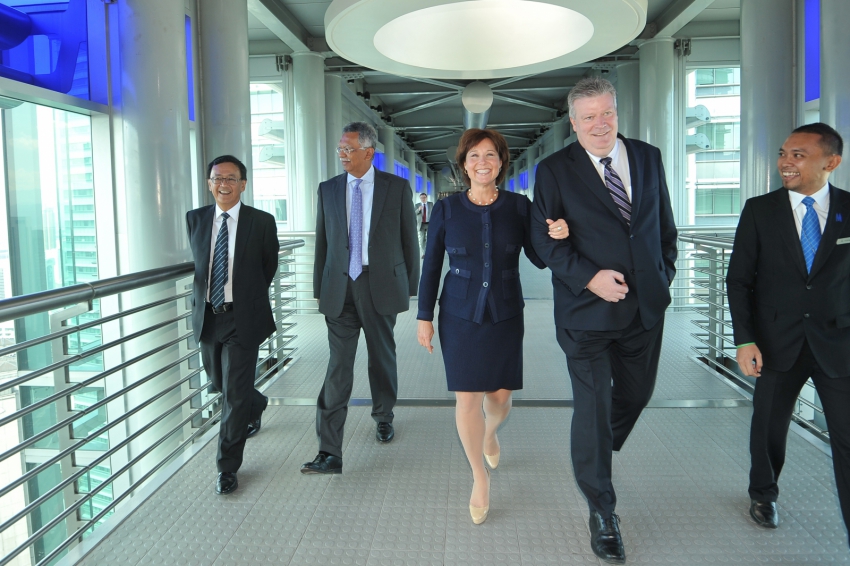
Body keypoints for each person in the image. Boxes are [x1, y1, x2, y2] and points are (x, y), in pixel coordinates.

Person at [530, 77, 677, 563]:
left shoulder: (649, 156)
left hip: (644, 309)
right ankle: (601, 508)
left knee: (636, 395)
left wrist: (663, 275)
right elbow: (546, 242)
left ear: (617, 112)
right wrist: (590, 278)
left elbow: (662, 227)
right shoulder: (554, 170)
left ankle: (592, 451)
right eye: (588, 116)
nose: (600, 124)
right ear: (573, 124)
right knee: (592, 412)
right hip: (586, 314)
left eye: (607, 113)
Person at [416, 128, 568, 525]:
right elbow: (432, 264)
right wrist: (424, 318)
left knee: (499, 398)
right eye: (474, 156)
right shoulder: (446, 209)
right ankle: (478, 476)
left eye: (491, 155)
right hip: (459, 314)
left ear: (502, 162)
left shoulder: (520, 206)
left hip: (504, 312)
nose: (482, 162)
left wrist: (558, 234)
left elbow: (538, 257)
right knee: (467, 398)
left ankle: (489, 434)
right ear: (463, 165)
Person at [726, 123, 849, 541]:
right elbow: (739, 280)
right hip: (776, 342)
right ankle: (763, 493)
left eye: (798, 155)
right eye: (783, 153)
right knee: (768, 426)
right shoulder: (760, 210)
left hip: (839, 344)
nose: (785, 162)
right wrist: (744, 339)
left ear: (831, 162)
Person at [302, 121, 419, 474]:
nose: (342, 154)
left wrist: (409, 287)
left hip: (379, 283)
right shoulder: (327, 189)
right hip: (339, 287)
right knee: (338, 366)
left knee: (381, 356)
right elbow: (323, 242)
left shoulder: (396, 188)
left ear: (368, 152)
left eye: (348, 149)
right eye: (340, 148)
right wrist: (319, 291)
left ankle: (383, 415)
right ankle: (329, 451)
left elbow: (408, 240)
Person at [186, 155, 279, 495]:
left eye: (231, 178)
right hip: (209, 317)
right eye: (217, 178)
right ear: (210, 183)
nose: (223, 183)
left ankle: (227, 467)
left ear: (243, 184)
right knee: (220, 384)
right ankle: (258, 403)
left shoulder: (262, 221)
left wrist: (246, 298)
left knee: (234, 396)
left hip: (243, 317)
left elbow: (268, 267)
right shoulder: (195, 219)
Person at [415, 192, 432, 258]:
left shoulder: (430, 204)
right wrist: (418, 209)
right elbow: (414, 213)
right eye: (421, 198)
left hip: (429, 223)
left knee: (429, 238)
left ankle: (429, 252)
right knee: (422, 240)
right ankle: (424, 253)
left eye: (424, 197)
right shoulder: (417, 205)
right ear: (420, 198)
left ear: (426, 198)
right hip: (421, 224)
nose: (423, 199)